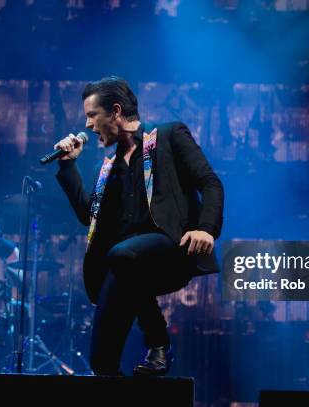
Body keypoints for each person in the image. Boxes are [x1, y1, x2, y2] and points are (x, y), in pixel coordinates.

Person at [53, 76, 224, 376]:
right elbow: (87, 216)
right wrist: (68, 165)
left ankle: (158, 340)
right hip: (125, 265)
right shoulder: (106, 167)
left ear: (116, 111)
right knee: (101, 364)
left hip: (171, 248)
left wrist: (206, 229)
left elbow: (210, 182)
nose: (89, 125)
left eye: (93, 115)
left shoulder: (168, 136)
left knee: (123, 255)